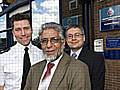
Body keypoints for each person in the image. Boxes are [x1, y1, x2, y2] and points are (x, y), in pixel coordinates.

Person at [24, 22, 91, 90]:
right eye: (44, 41)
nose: (49, 45)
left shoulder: (78, 68)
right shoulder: (34, 69)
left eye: (54, 40)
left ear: (63, 42)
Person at [0, 13, 44, 90]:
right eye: (18, 30)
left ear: (32, 30)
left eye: (26, 28)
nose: (23, 33)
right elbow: (1, 86)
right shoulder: (3, 57)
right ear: (13, 33)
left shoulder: (42, 55)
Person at [64, 24, 105, 90]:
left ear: (84, 38)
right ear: (66, 40)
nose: (73, 38)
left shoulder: (96, 58)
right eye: (69, 36)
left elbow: (97, 86)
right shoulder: (62, 56)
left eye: (77, 35)